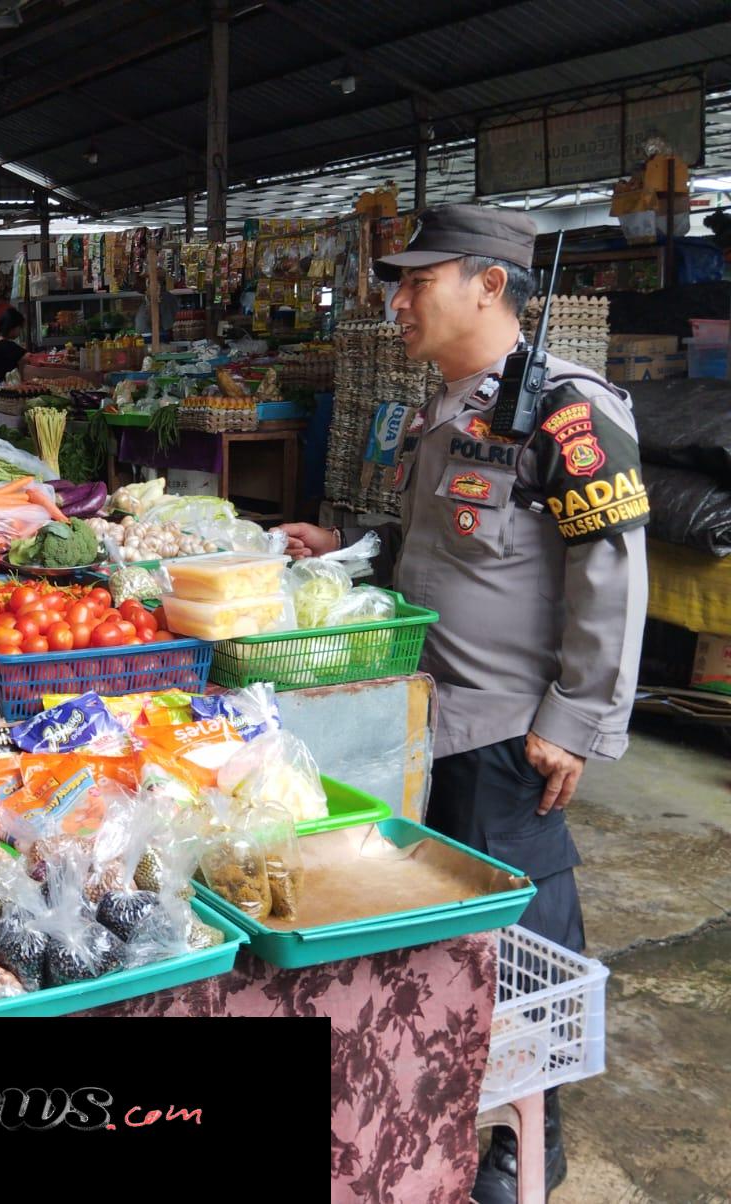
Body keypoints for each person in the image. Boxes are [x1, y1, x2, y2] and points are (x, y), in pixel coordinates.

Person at [278, 204, 649, 1204]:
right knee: (433, 926)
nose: (397, 303)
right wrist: (350, 548)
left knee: (522, 935)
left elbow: (612, 573)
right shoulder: (446, 408)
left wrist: (574, 721)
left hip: (506, 729)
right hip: (423, 717)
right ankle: (437, 1108)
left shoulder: (566, 410)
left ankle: (534, 1134)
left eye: (417, 281)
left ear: (488, 284)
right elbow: (439, 548)